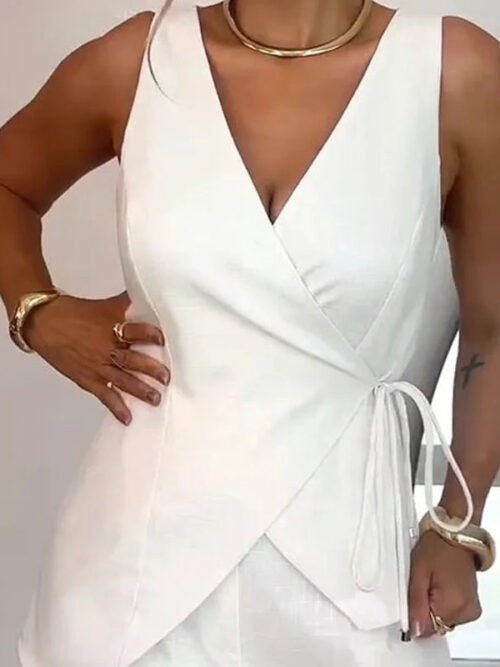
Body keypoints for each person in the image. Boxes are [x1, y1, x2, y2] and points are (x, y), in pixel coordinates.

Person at [1, 0, 499, 664]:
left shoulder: (454, 71)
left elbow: (493, 330)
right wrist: (36, 312)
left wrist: (459, 525)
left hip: (356, 581)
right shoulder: (141, 62)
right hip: (130, 580)